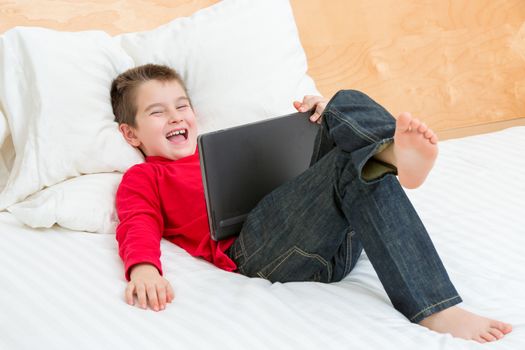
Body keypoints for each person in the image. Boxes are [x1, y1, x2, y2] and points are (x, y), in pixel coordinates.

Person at [110, 64, 512, 343]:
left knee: (340, 102)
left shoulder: (229, 148)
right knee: (345, 167)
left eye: (181, 106)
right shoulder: (145, 176)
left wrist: (319, 123)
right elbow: (137, 222)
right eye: (157, 112)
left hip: (328, 237)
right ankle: (434, 305)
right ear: (131, 134)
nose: (175, 117)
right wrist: (143, 267)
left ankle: (389, 155)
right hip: (257, 251)